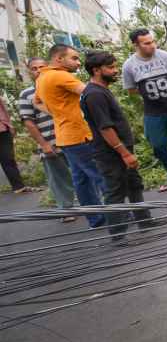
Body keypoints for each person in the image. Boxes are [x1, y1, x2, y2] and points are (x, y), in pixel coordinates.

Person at [81, 51, 166, 244]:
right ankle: (118, 236)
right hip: (111, 154)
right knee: (115, 192)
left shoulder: (101, 89)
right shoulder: (94, 94)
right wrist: (125, 153)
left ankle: (144, 222)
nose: (115, 70)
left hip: (120, 151)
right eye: (110, 67)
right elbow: (105, 128)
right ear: (96, 70)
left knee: (134, 185)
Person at [34, 44, 106, 229]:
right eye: (73, 58)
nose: (78, 62)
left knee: (81, 180)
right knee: (101, 175)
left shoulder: (42, 77)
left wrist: (58, 113)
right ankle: (125, 214)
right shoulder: (60, 75)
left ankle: (96, 219)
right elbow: (92, 92)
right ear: (59, 59)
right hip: (79, 135)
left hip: (65, 136)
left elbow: (37, 102)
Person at [122, 28, 167, 193]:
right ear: (136, 45)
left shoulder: (165, 57)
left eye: (153, 41)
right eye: (147, 43)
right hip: (153, 112)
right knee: (158, 146)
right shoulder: (129, 65)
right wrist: (150, 97)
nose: (152, 45)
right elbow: (131, 90)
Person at [18, 57, 76, 221]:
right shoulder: (27, 94)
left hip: (72, 138)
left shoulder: (59, 85)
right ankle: (66, 211)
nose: (38, 71)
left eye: (41, 67)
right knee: (58, 179)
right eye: (34, 68)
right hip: (50, 142)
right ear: (30, 72)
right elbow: (29, 123)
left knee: (84, 173)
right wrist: (43, 144)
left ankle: (94, 206)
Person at [0, 94, 35, 194]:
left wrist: (10, 125)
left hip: (2, 130)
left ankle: (18, 187)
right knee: (8, 159)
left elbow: (3, 110)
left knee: (8, 158)